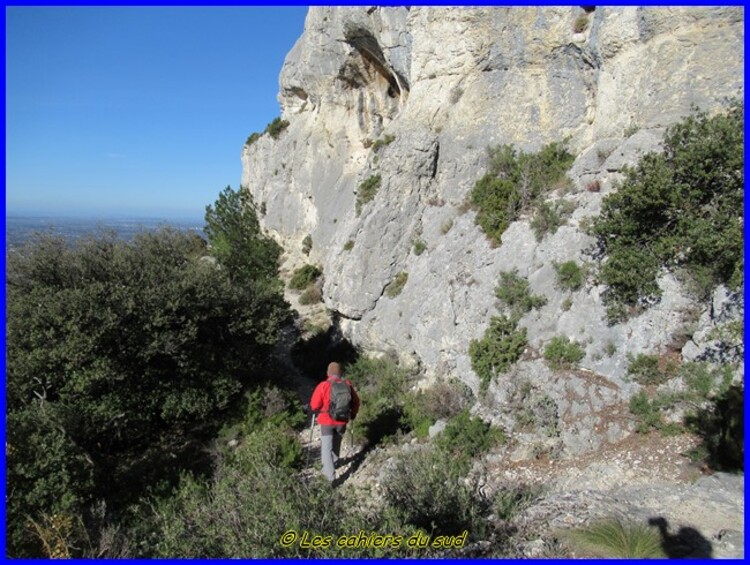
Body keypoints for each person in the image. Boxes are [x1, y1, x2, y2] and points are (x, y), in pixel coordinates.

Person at [309, 362, 360, 483]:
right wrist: (353, 414)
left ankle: (329, 478)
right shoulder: (347, 384)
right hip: (342, 420)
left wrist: (317, 410)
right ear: (339, 373)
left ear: (328, 373)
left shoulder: (323, 385)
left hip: (327, 421)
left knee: (326, 448)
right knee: (336, 444)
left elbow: (314, 405)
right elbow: (356, 402)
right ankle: (334, 463)